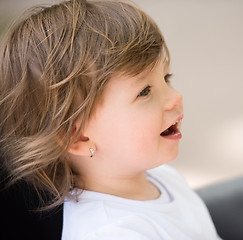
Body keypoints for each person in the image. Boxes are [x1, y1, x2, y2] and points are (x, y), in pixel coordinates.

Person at [0, 0, 221, 239]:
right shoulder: (112, 232)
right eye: (144, 91)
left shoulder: (159, 176)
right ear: (79, 137)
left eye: (166, 78)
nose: (175, 98)